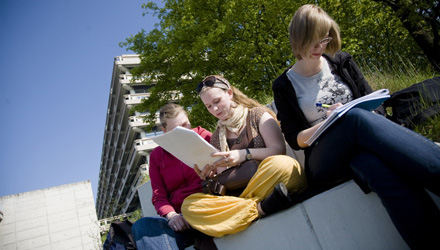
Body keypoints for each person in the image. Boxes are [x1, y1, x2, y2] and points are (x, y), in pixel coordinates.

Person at [272, 4, 440, 249]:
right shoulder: (284, 85)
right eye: (314, 42)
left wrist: (365, 111)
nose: (321, 48)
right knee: (352, 119)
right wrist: (331, 121)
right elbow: (295, 138)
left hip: (361, 144)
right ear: (299, 40)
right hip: (324, 156)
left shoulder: (341, 61)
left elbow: (377, 105)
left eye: (325, 39)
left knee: (376, 169)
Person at [181, 75, 307, 238]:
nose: (215, 109)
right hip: (242, 191)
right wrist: (211, 176)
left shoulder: (257, 115)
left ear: (230, 93)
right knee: (189, 206)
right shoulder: (216, 137)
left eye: (217, 101)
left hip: (269, 179)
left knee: (285, 165)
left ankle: (240, 212)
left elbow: (278, 149)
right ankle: (260, 208)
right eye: (209, 106)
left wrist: (244, 155)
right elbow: (225, 183)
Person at [131, 103, 212, 250]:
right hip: (180, 219)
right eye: (176, 130)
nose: (185, 131)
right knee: (141, 226)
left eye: (186, 124)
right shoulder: (157, 156)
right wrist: (172, 215)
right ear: (164, 131)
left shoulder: (204, 136)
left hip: (206, 206)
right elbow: (158, 196)